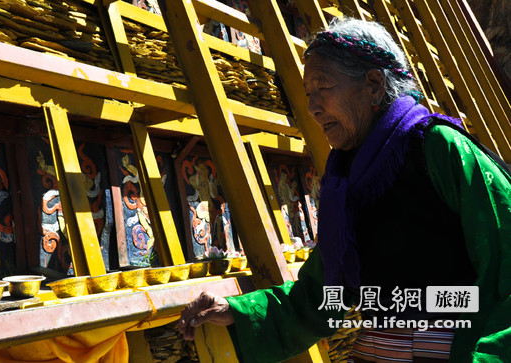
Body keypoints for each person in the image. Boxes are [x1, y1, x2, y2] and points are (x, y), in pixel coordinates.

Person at [178, 18, 511, 362]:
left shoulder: (439, 149)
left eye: (323, 88)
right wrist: (238, 311)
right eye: (309, 94)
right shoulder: (349, 181)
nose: (312, 107)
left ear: (373, 86)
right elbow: (323, 294)